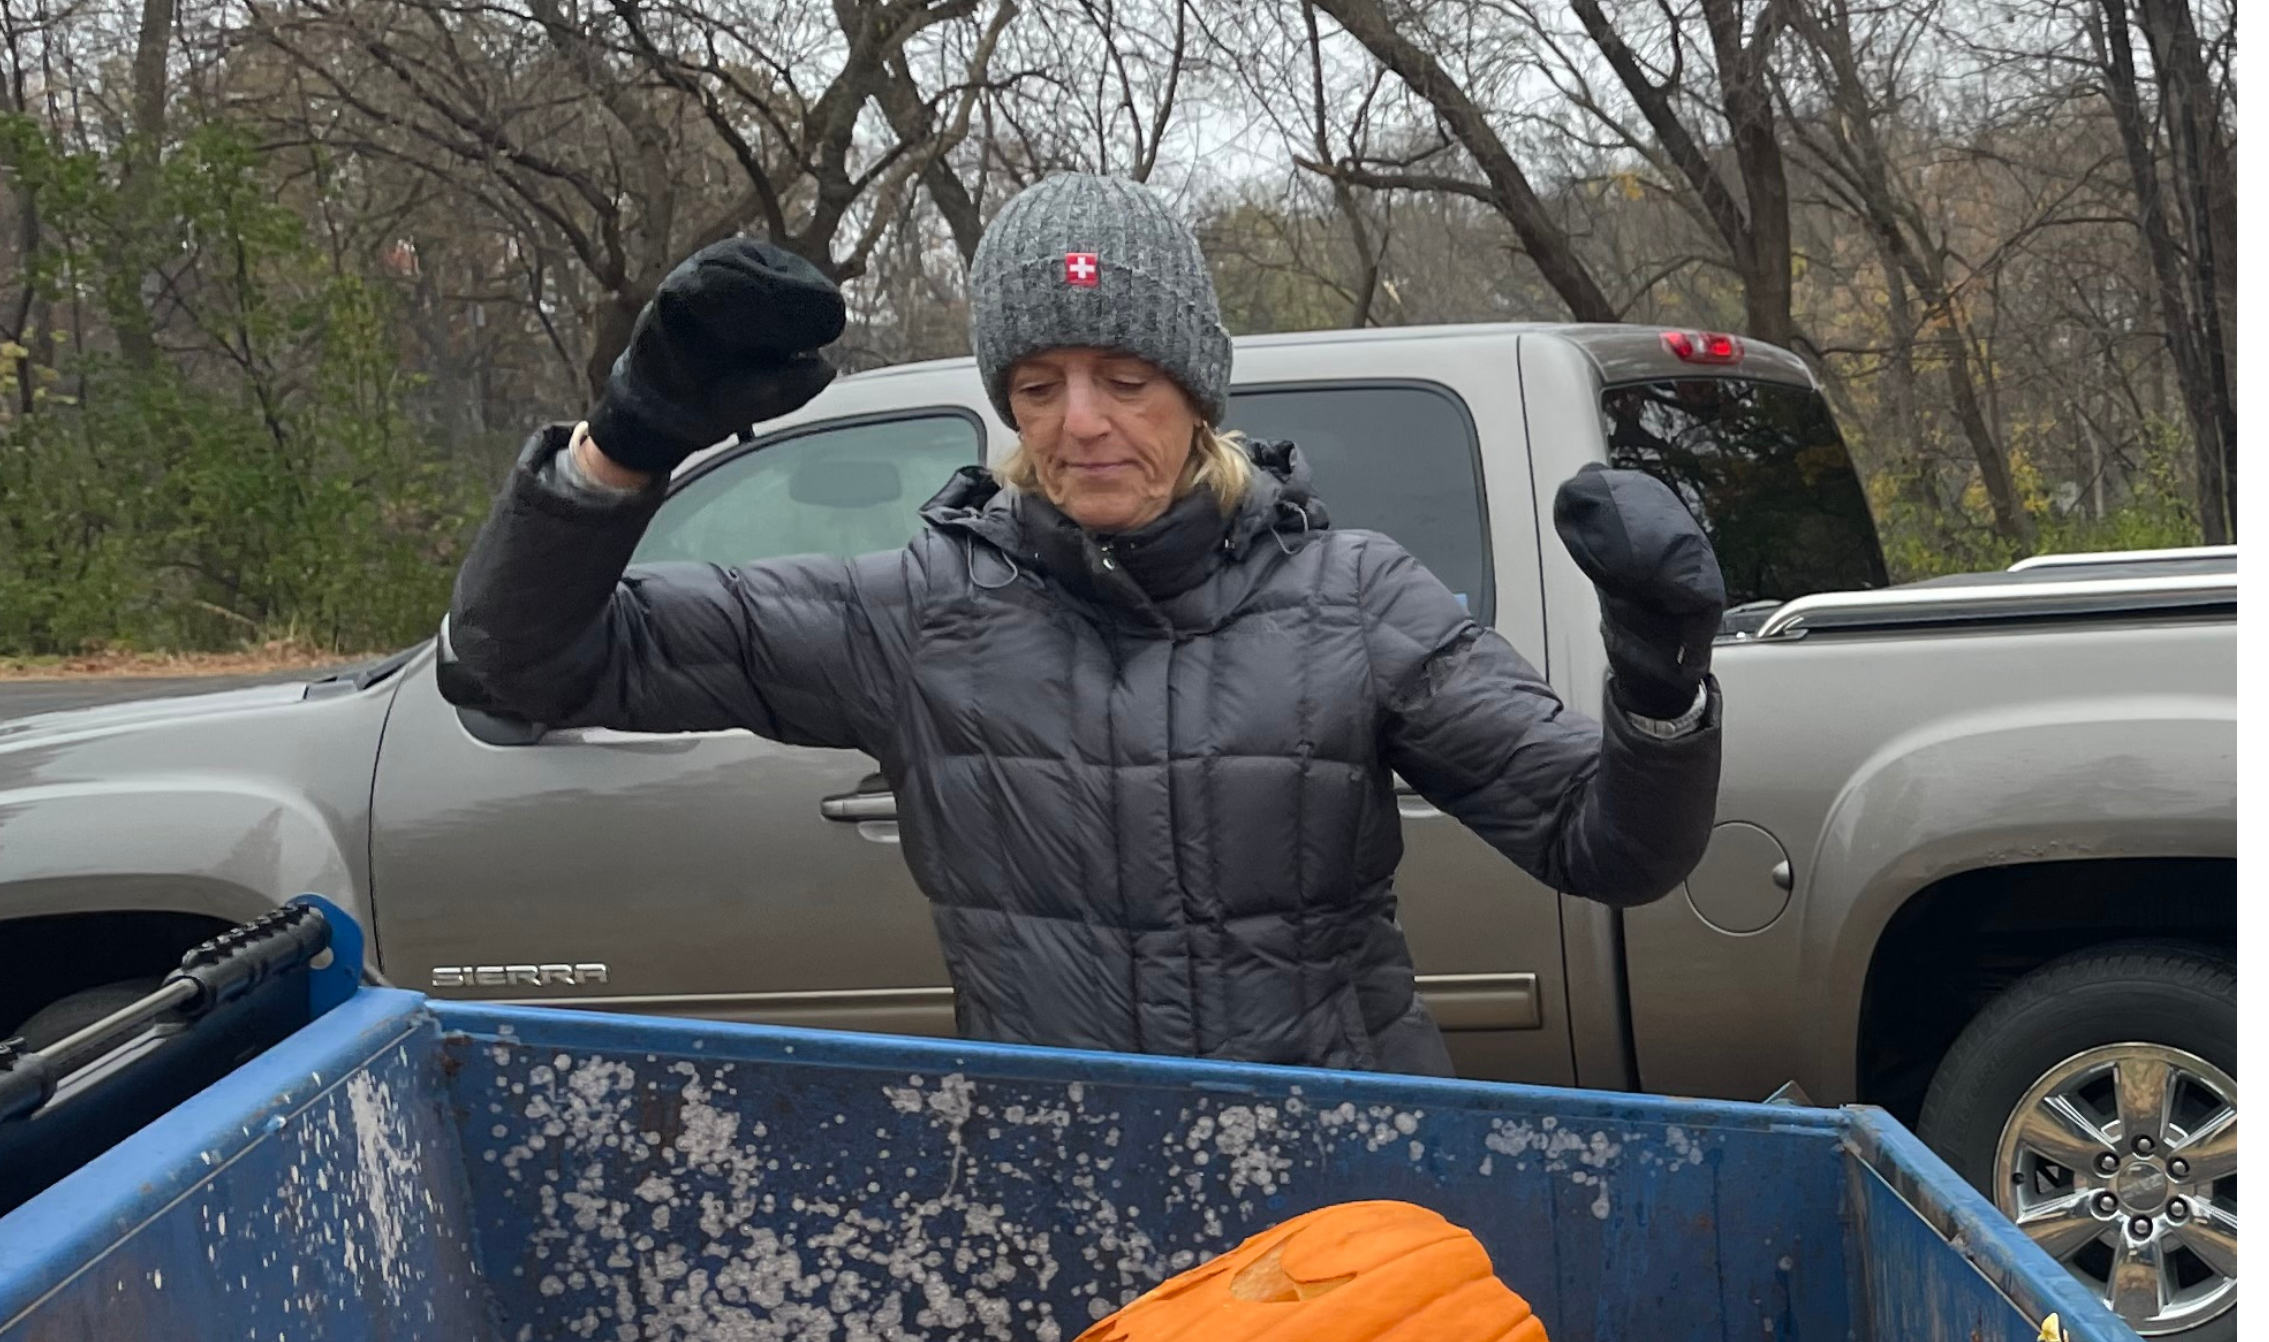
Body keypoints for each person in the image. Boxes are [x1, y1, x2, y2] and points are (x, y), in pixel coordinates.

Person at [445, 177, 1724, 1071]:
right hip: (1063, 1183)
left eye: (1126, 378)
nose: (1083, 422)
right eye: (1039, 386)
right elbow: (525, 662)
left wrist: (1660, 686)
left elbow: (1604, 846)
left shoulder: (1356, 599)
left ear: (1196, 393)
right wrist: (625, 446)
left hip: (1341, 1203)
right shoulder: (918, 617)